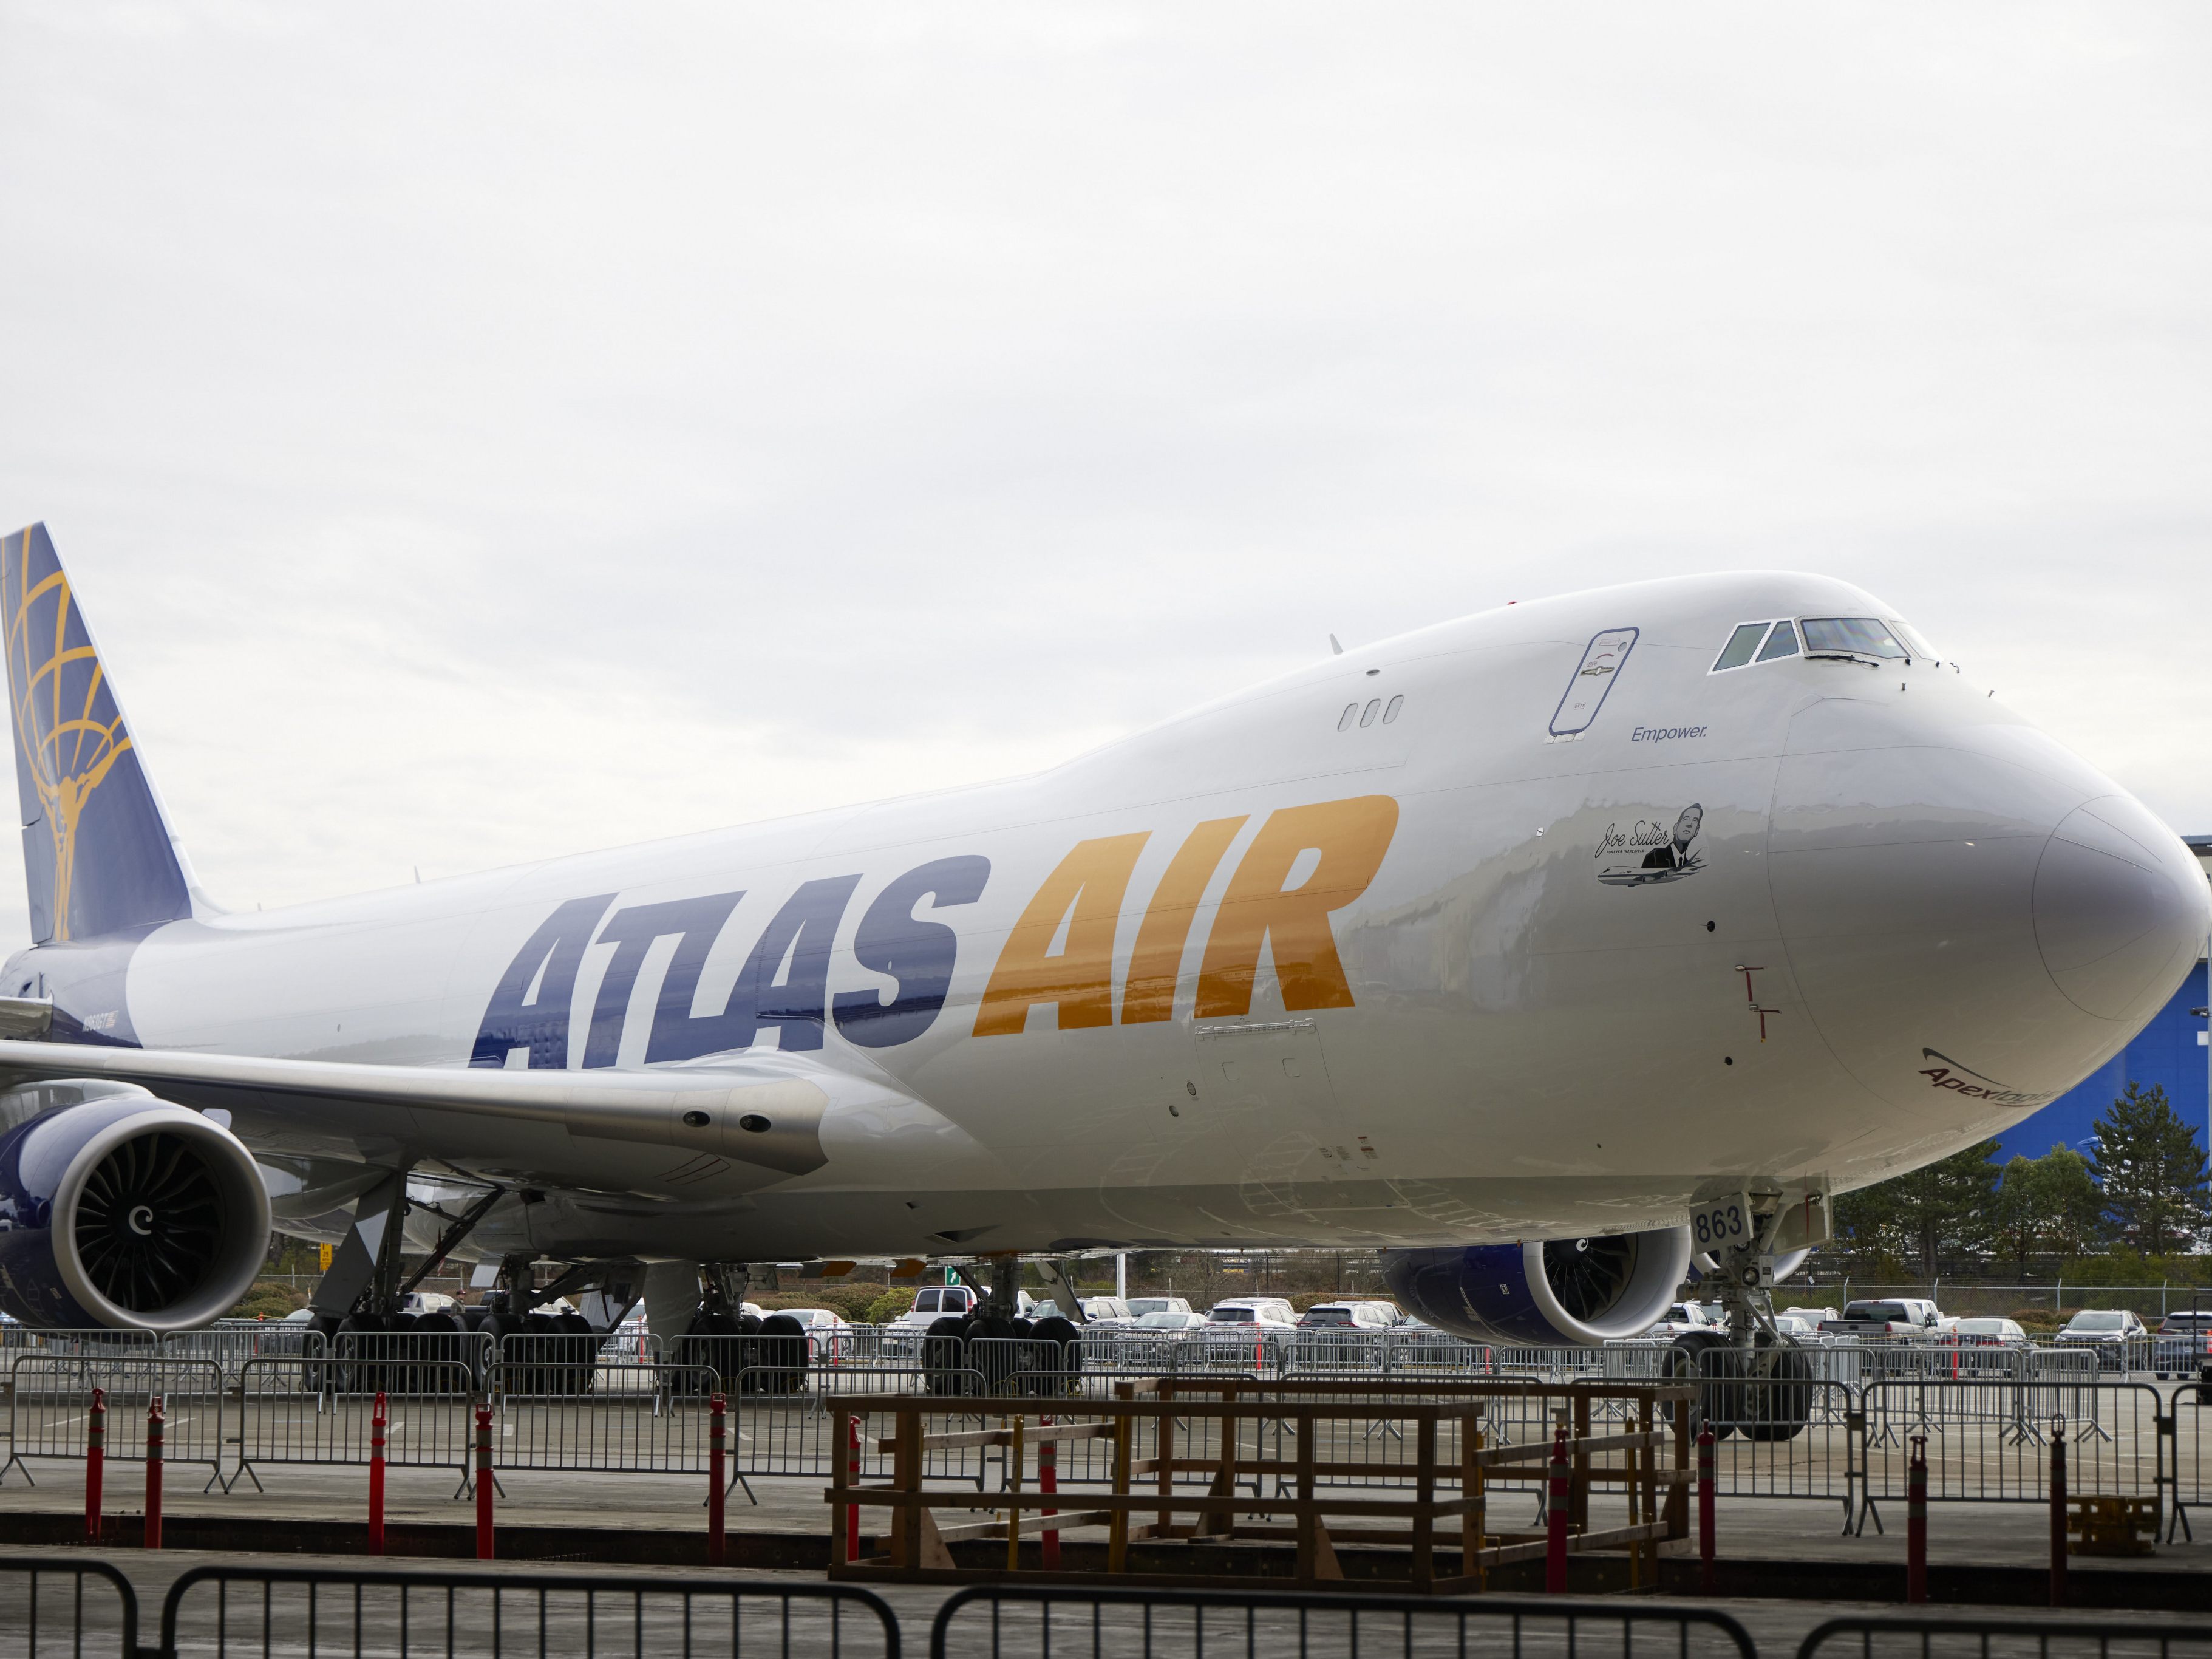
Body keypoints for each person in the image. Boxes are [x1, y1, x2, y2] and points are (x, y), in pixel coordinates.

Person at [1641, 803, 1703, 871]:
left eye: (1694, 820)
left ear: (1696, 831)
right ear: (1675, 828)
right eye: (1686, 819)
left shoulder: (1688, 866)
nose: (1689, 824)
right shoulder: (1655, 855)